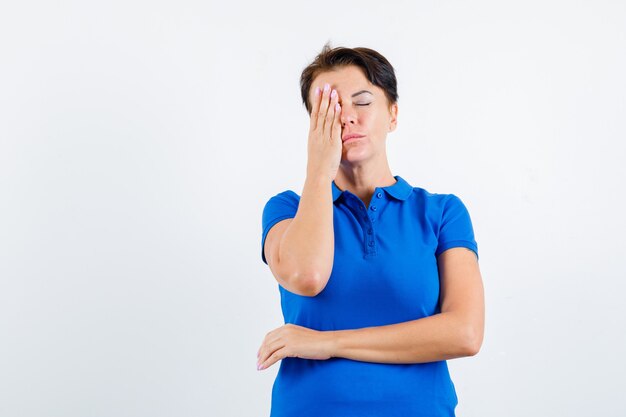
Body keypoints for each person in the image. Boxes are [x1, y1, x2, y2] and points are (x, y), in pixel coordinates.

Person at [256, 43, 484, 417]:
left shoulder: (442, 212)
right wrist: (319, 169)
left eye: (362, 102)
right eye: (329, 107)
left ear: (393, 115)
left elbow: (465, 333)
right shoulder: (286, 210)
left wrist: (326, 343)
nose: (346, 117)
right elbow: (307, 275)